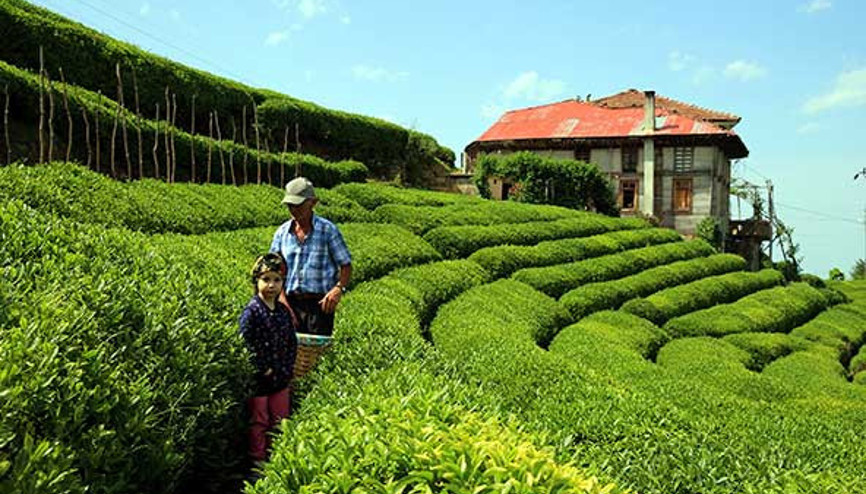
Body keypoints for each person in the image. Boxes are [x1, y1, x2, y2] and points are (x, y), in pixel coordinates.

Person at [270, 177, 352, 336]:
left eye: (299, 205)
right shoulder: (282, 233)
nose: (294, 210)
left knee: (316, 356)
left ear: (313, 203)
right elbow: (273, 270)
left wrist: (338, 289)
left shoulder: (328, 230)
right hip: (289, 302)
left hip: (320, 306)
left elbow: (346, 265)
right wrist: (281, 301)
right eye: (290, 206)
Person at [238, 253, 297, 464]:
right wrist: (263, 368)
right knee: (259, 421)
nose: (271, 285)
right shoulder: (251, 312)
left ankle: (277, 460)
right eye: (266, 279)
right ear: (256, 281)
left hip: (281, 379)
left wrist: (287, 367)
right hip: (260, 381)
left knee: (280, 421)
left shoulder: (283, 311)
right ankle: (258, 461)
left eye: (276, 280)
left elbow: (291, 341)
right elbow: (246, 344)